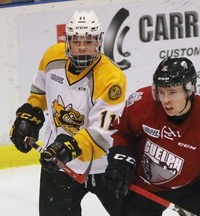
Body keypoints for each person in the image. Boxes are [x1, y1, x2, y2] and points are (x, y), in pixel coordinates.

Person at [9, 10, 126, 216]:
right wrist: (31, 113)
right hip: (59, 164)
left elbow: (102, 134)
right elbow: (39, 92)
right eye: (77, 40)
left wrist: (70, 147)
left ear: (98, 41)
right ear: (68, 41)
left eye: (88, 41)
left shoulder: (111, 78)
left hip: (104, 166)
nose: (82, 47)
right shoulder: (52, 57)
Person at [103, 57, 200, 216]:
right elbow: (122, 132)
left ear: (189, 89)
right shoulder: (142, 102)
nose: (165, 100)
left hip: (192, 187)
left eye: (172, 92)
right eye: (161, 92)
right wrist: (120, 157)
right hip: (143, 187)